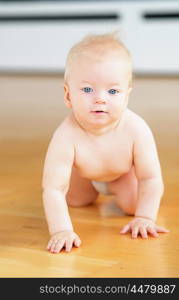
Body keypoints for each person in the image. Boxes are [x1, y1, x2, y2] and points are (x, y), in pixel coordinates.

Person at [42, 32, 169, 254]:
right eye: (87, 89)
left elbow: (150, 177)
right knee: (75, 201)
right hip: (83, 173)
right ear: (68, 95)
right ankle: (89, 187)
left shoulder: (136, 129)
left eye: (112, 91)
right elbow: (53, 188)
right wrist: (61, 230)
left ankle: (115, 189)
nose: (100, 98)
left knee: (133, 206)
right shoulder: (65, 135)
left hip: (122, 175)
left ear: (126, 96)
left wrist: (145, 217)